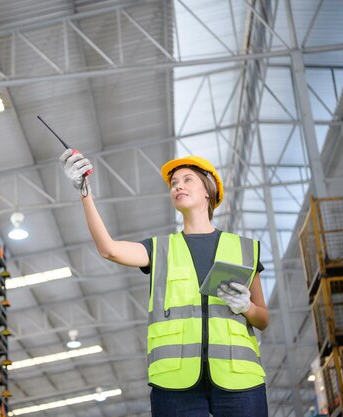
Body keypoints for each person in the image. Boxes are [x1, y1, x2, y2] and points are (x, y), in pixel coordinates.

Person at [59, 150, 269, 417]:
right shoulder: (159, 249)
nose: (178, 185)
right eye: (174, 183)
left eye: (187, 179)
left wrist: (246, 306)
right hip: (175, 382)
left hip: (240, 379)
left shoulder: (245, 249)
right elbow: (109, 249)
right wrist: (85, 192)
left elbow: (263, 319)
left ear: (209, 190)